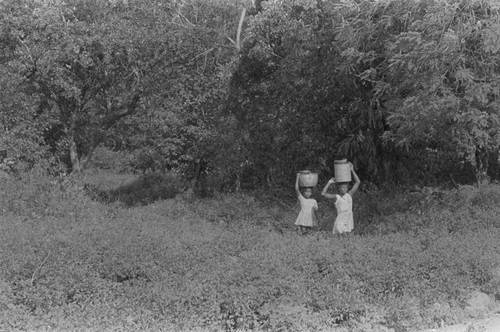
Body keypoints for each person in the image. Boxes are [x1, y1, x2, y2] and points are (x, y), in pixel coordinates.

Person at [321, 163, 361, 235]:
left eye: (346, 187)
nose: (345, 189)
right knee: (341, 232)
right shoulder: (337, 196)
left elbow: (358, 182)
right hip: (341, 218)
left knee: (347, 234)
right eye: (343, 187)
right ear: (339, 189)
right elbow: (323, 194)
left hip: (348, 217)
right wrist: (329, 183)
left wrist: (352, 170)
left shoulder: (349, 194)